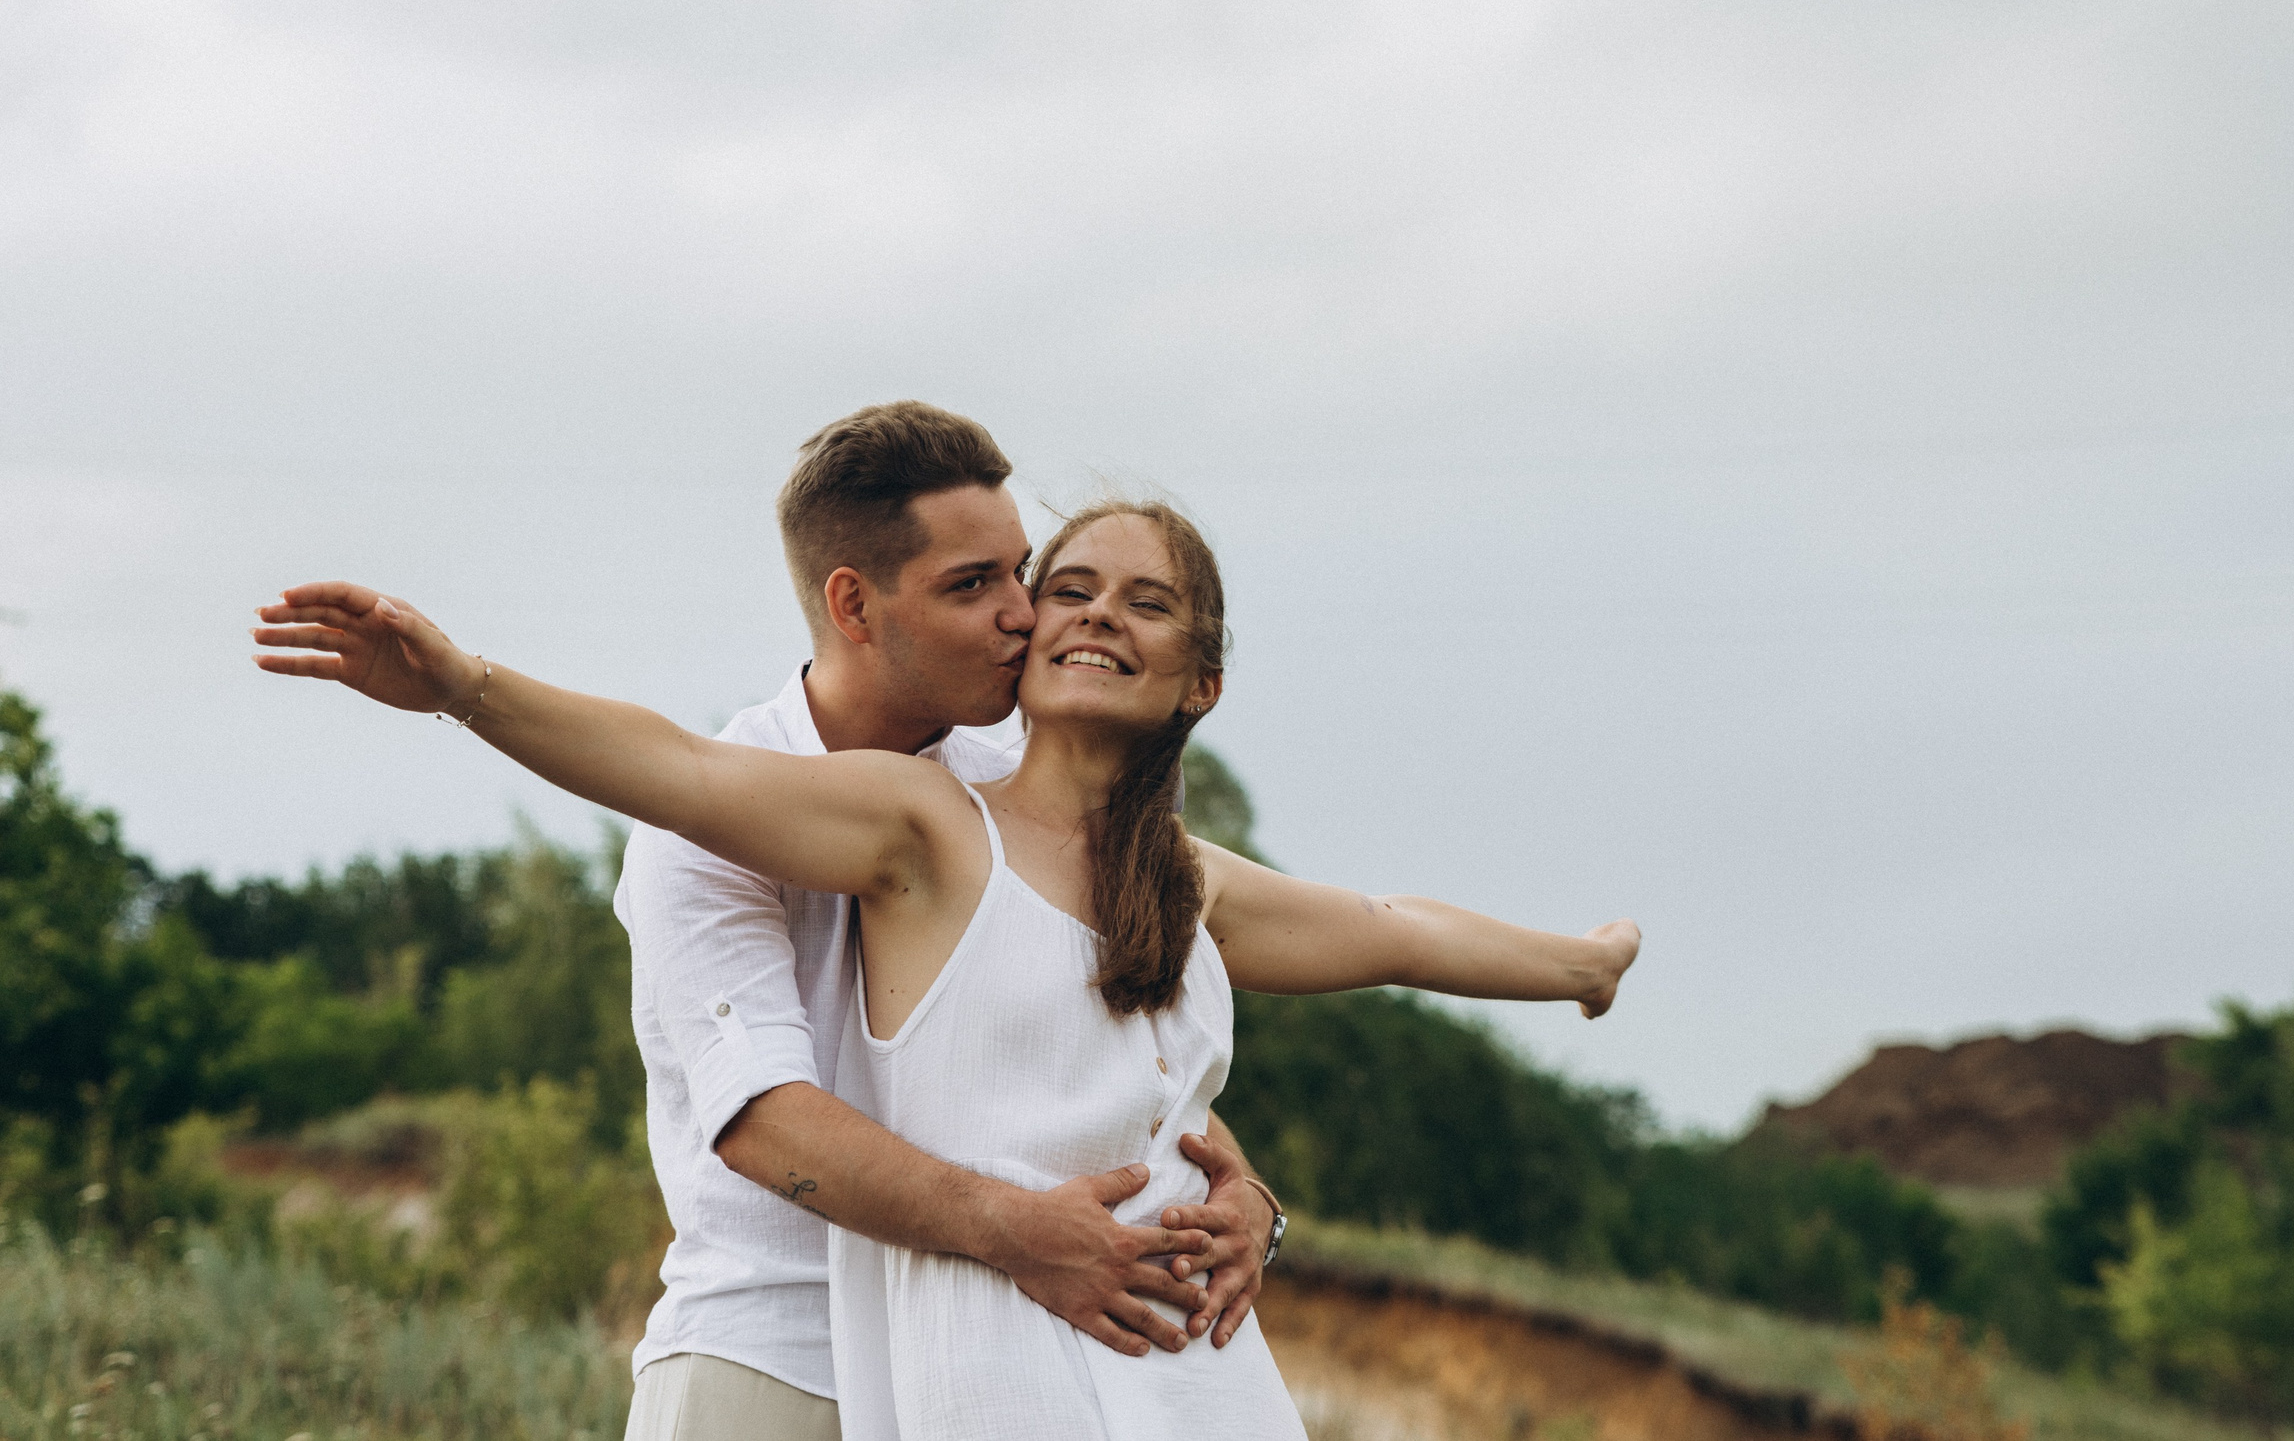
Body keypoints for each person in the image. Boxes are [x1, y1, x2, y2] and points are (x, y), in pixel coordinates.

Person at [254, 489, 1641, 1439]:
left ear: (1198, 674)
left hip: (1152, 1357)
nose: (1069, 612)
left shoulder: (1175, 872)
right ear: (863, 603)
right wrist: (463, 685)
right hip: (826, 1341)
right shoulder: (915, 817)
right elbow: (675, 782)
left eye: (1133, 600)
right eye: (1055, 587)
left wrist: (1577, 966)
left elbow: (1387, 925)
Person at [593, 404, 1282, 1441]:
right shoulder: (698, 828)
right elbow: (763, 1125)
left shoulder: (1015, 791)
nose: (1024, 615)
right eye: (974, 585)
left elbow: (1100, 1061)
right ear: (855, 606)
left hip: (978, 1372)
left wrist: (1249, 1203)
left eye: (1020, 573)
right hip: (774, 1368)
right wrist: (1020, 1234)